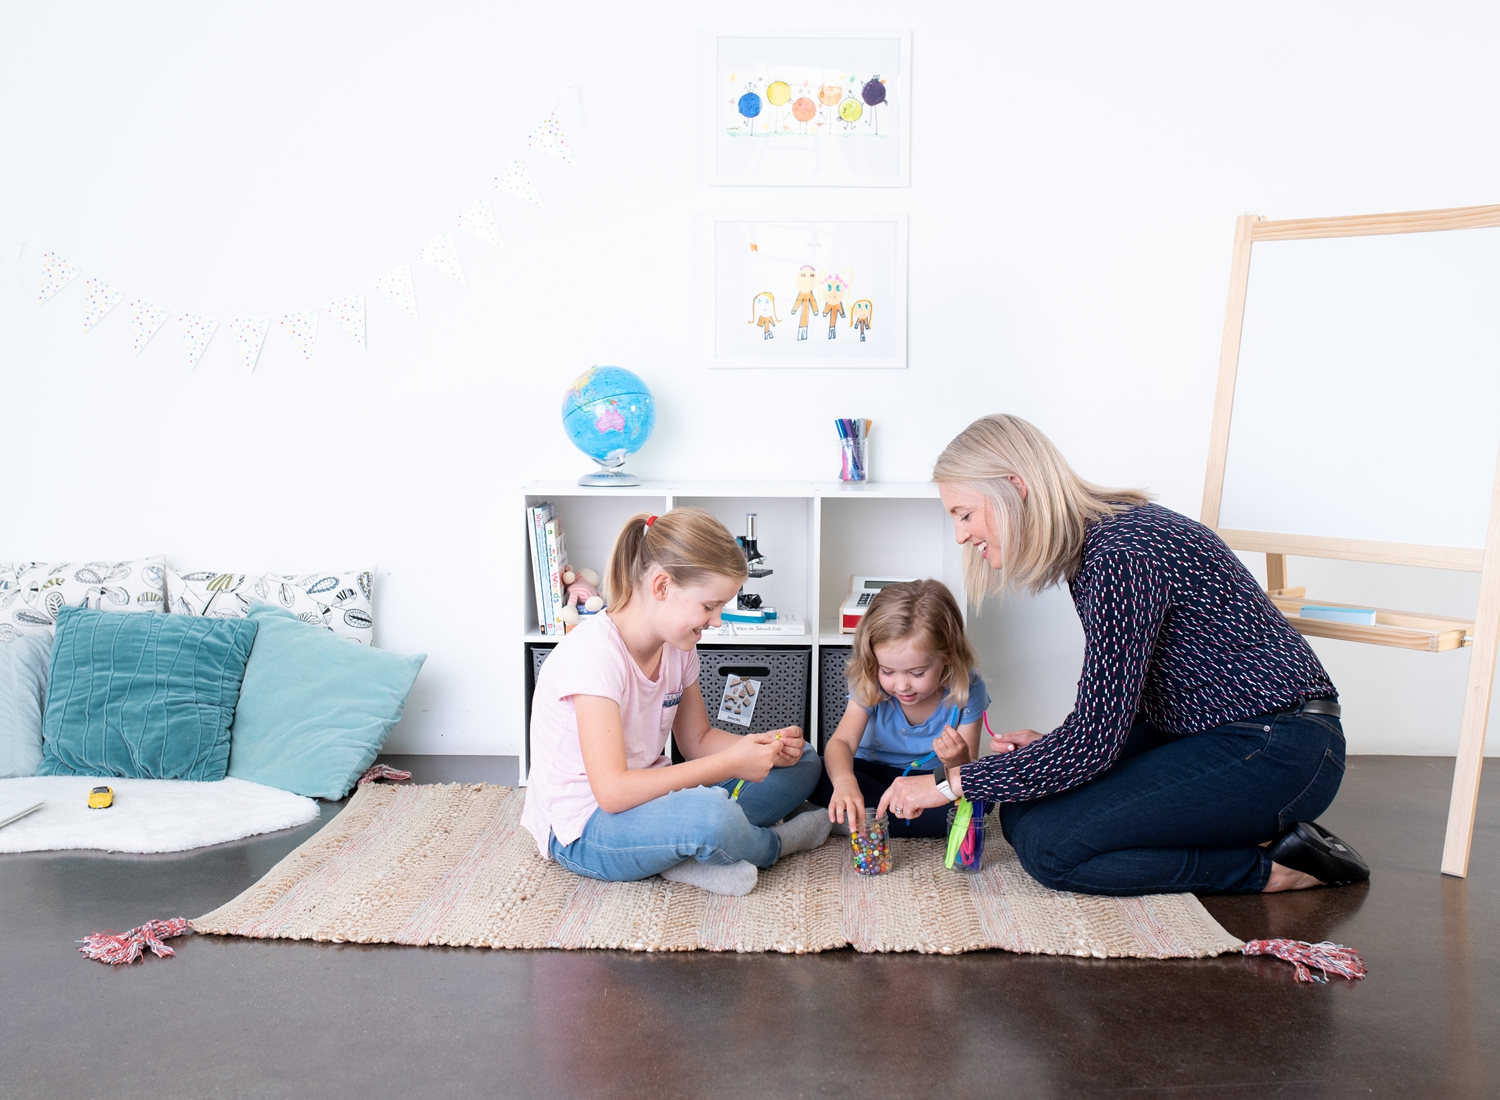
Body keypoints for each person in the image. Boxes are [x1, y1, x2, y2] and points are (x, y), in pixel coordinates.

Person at [877, 414, 1370, 896]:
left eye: (964, 514)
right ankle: (1239, 830)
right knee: (1023, 811)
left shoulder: (1120, 555)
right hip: (1205, 730)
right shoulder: (1096, 545)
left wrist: (946, 784)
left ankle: (1272, 868)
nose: (961, 534)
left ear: (1014, 487)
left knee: (1052, 850)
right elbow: (1109, 716)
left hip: (1279, 745)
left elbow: (1096, 737)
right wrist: (1052, 751)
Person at [520, 508, 830, 898]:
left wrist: (763, 746)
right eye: (709, 606)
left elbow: (697, 740)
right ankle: (774, 844)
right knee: (710, 815)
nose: (716, 621)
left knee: (804, 762)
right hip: (585, 828)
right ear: (662, 586)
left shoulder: (678, 648)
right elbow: (612, 792)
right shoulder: (594, 657)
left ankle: (694, 850)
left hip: (651, 798)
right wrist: (730, 764)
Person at [810, 579, 989, 838]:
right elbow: (842, 743)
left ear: (948, 655)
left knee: (981, 798)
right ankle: (878, 815)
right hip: (871, 771)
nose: (902, 685)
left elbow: (966, 770)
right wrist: (845, 783)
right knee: (816, 772)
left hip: (930, 780)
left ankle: (862, 820)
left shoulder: (969, 689)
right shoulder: (870, 680)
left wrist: (957, 759)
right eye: (888, 671)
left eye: (917, 673)